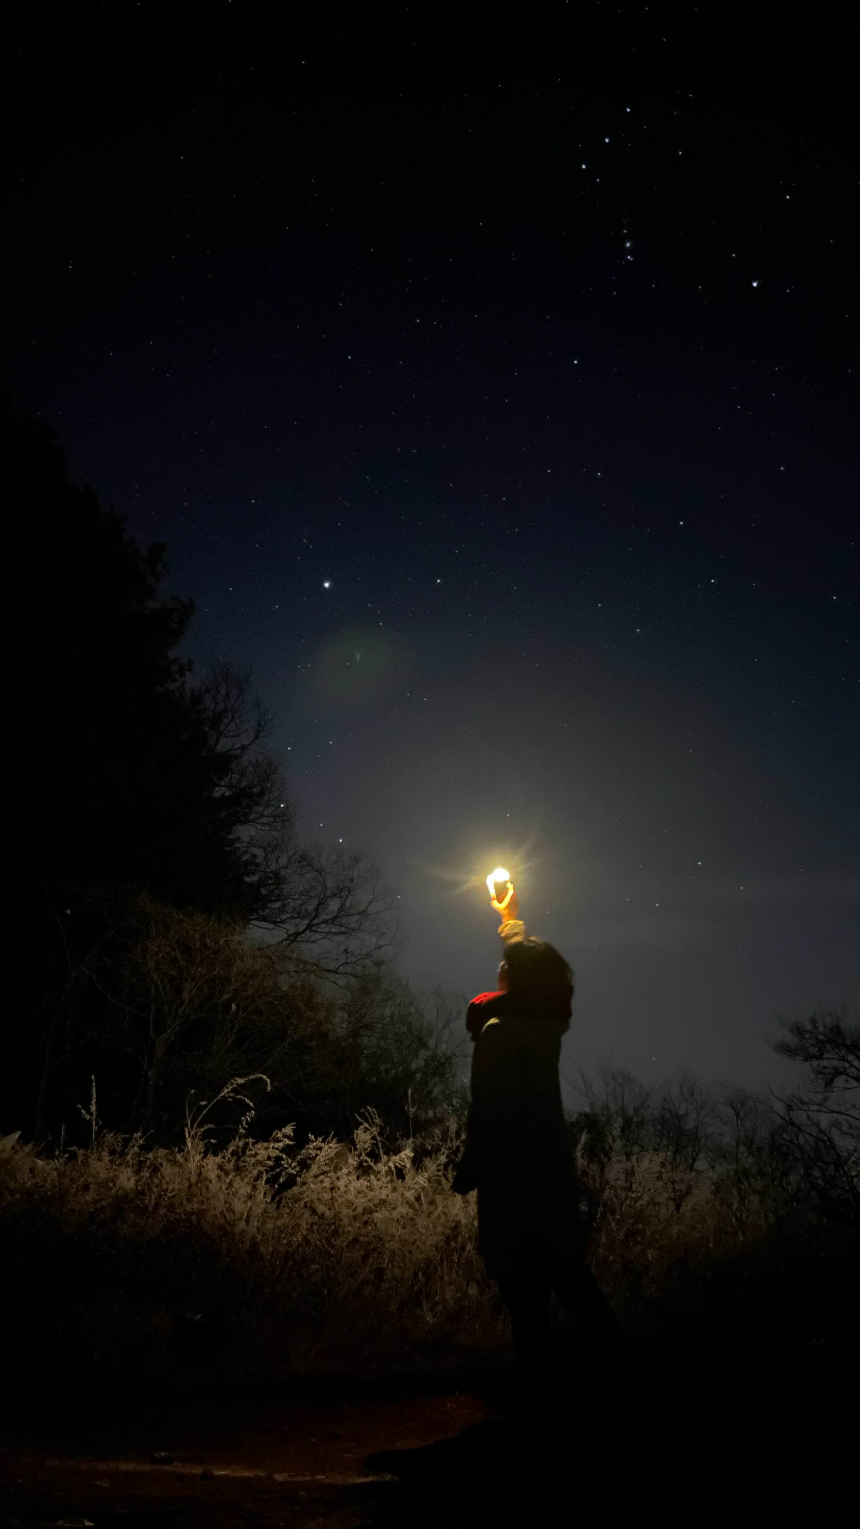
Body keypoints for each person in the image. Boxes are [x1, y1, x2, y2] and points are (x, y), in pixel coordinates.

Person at [452, 877, 633, 1406]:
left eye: (506, 967)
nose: (499, 967)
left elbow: (489, 1108)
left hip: (514, 1176)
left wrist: (472, 1165)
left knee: (524, 1292)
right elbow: (527, 968)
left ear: (516, 981)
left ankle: (541, 1396)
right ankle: (620, 1376)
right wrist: (510, 915)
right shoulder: (543, 1022)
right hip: (549, 1171)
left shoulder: (499, 1034)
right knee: (570, 1279)